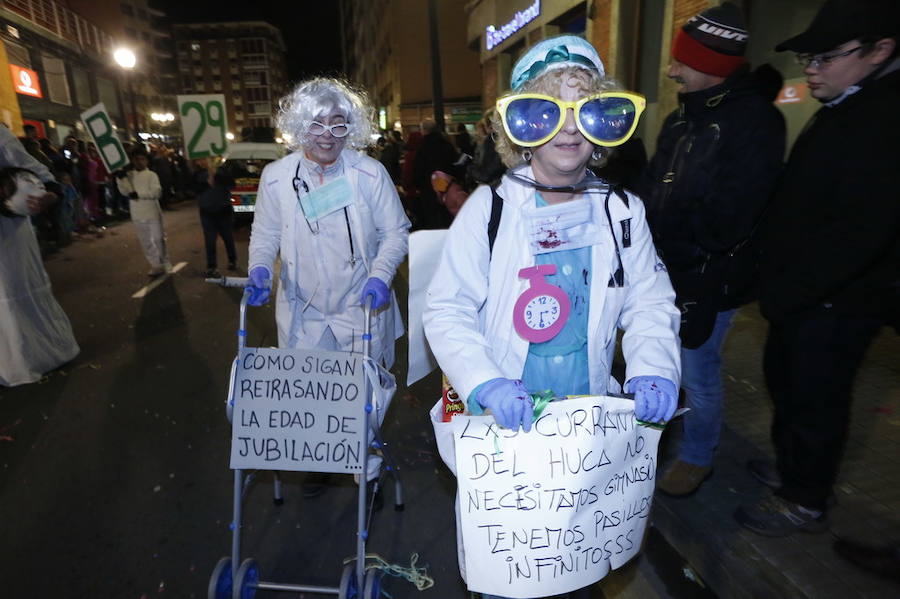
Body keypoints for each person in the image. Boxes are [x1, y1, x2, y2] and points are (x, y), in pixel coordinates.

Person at [423, 35, 681, 599]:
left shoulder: (622, 212)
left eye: (585, 108)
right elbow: (446, 309)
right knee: (510, 568)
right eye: (548, 108)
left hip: (584, 415)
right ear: (521, 124)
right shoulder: (488, 211)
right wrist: (483, 382)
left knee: (574, 560)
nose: (568, 127)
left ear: (604, 123)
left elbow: (650, 300)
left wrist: (654, 365)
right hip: (504, 421)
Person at [734, 0, 900, 537]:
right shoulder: (847, 103)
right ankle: (791, 471)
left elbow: (863, 232)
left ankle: (804, 499)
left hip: (834, 303)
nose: (811, 67)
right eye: (810, 55)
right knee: (788, 389)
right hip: (801, 298)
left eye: (826, 57)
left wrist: (793, 293)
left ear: (880, 51)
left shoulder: (887, 117)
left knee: (816, 402)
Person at [635, 2, 786, 497]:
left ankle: (698, 456)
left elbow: (728, 220)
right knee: (666, 361)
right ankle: (670, 432)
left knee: (697, 371)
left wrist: (669, 226)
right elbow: (654, 185)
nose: (671, 69)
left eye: (682, 61)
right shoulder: (683, 119)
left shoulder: (756, 123)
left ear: (713, 67)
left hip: (711, 277)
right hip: (666, 270)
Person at [246, 77, 410, 498]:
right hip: (305, 309)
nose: (328, 136)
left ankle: (367, 473)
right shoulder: (277, 177)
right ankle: (322, 458)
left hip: (362, 307)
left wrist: (380, 274)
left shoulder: (369, 173)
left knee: (364, 398)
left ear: (350, 128)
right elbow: (264, 233)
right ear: (300, 127)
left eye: (339, 125)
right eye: (317, 125)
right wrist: (261, 269)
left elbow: (396, 232)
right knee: (313, 395)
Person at [0, 126, 80, 386]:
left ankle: (29, 359)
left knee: (11, 292)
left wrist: (49, 193)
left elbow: (28, 166)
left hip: (7, 233)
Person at [116, 146, 171, 277]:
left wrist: (139, 194)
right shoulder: (129, 175)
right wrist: (119, 179)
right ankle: (155, 265)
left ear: (147, 161)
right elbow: (124, 191)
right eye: (136, 159)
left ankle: (164, 262)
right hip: (137, 213)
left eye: (142, 159)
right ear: (132, 161)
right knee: (145, 241)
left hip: (152, 212)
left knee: (158, 239)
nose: (139, 162)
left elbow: (156, 192)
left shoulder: (152, 175)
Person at [412, 118, 459, 229]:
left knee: (432, 219)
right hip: (448, 186)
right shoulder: (446, 144)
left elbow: (418, 169)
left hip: (428, 189)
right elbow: (454, 164)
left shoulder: (422, 147)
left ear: (423, 130)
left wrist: (418, 185)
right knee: (447, 217)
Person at [196, 169, 238, 277]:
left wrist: (218, 178)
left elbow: (232, 185)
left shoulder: (223, 172)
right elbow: (193, 188)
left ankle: (232, 260)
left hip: (223, 211)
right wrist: (206, 181)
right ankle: (211, 266)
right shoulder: (199, 174)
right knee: (210, 241)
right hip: (207, 212)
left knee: (227, 237)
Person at [466, 109, 506, 187]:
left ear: (490, 126)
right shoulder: (511, 138)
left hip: (496, 187)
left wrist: (470, 169)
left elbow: (486, 174)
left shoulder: (492, 140)